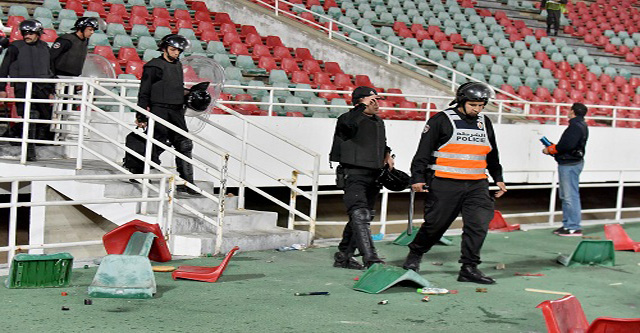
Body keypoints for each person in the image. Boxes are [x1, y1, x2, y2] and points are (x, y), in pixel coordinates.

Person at [401, 82, 507, 285]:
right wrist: (417, 177)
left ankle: (469, 267)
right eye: (474, 105)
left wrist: (498, 177)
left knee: (478, 226)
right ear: (462, 101)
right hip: (445, 183)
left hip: (477, 185)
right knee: (435, 225)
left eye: (481, 105)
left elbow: (492, 154)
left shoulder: (485, 123)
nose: (478, 109)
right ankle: (415, 253)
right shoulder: (441, 120)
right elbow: (422, 152)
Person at [329, 86, 394, 269]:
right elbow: (346, 127)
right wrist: (359, 107)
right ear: (362, 102)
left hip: (373, 176)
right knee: (360, 213)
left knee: (361, 217)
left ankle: (344, 256)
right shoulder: (347, 119)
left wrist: (388, 155)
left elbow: (382, 143)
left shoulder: (378, 122)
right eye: (373, 101)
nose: (377, 104)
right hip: (354, 174)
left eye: (378, 100)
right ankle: (370, 258)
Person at [132, 34, 198, 195]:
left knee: (184, 144)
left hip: (176, 110)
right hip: (159, 109)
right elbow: (144, 92)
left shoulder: (177, 65)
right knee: (157, 141)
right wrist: (141, 114)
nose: (176, 53)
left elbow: (175, 87)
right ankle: (138, 170)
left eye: (178, 50)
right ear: (164, 48)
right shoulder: (153, 66)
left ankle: (187, 182)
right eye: (173, 49)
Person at [0, 19, 55, 161]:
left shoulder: (45, 48)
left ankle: (17, 136)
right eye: (24, 33)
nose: (27, 36)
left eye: (30, 33)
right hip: (23, 87)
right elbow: (4, 68)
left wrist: (51, 90)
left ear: (38, 33)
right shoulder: (15, 47)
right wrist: (1, 88)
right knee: (30, 117)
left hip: (42, 88)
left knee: (43, 119)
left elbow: (50, 70)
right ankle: (29, 153)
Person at [543, 103, 589, 236]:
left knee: (569, 196)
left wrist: (550, 149)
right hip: (573, 162)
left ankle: (573, 226)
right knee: (568, 196)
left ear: (573, 112)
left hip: (569, 164)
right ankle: (568, 225)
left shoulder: (574, 126)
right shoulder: (581, 125)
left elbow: (566, 145)